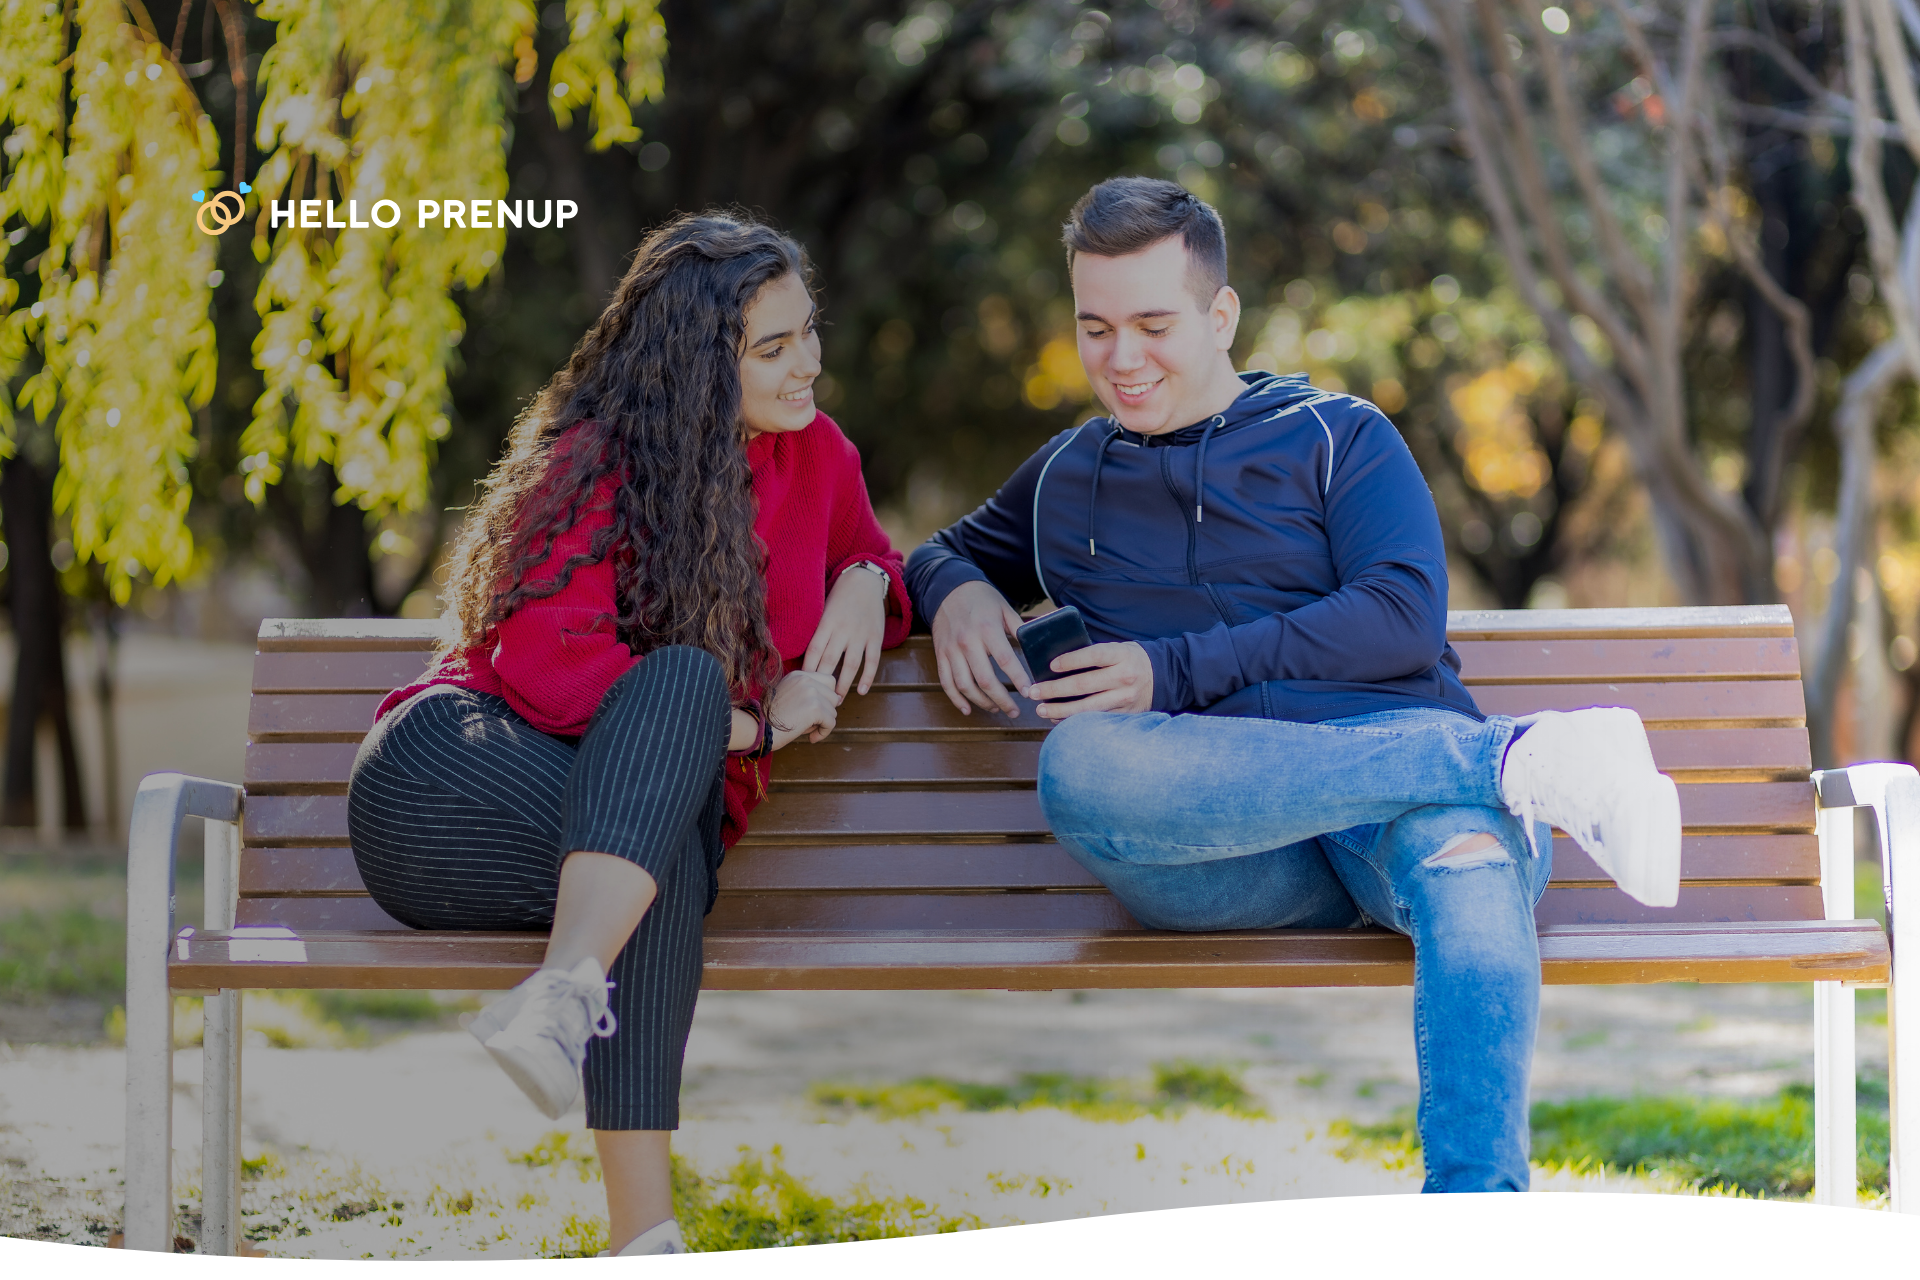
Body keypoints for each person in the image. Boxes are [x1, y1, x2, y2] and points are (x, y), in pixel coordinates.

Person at [904, 177, 1681, 1193]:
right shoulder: (1065, 476)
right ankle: (1515, 760)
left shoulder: (1337, 435)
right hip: (1231, 850)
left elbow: (1402, 613)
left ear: (1221, 314)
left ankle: (1478, 1223)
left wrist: (1174, 669)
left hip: (1401, 813)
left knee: (1470, 867)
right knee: (1081, 765)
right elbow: (936, 550)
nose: (1121, 358)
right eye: (1096, 328)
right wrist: (956, 586)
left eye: (1152, 325)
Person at [347, 212, 910, 1255]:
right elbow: (552, 668)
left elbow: (874, 554)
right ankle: (573, 1006)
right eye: (773, 347)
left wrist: (870, 581)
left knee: (668, 858)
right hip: (448, 785)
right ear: (700, 363)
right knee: (683, 690)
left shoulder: (819, 456)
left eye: (809, 332)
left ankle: (637, 1226)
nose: (808, 364)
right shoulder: (594, 459)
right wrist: (754, 727)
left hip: (627, 836)